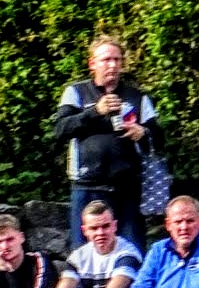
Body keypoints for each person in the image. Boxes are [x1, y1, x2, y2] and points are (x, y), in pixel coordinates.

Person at [55, 37, 160, 249]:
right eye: (106, 60)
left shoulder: (137, 96)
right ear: (92, 63)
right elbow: (61, 130)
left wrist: (143, 133)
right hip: (87, 186)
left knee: (132, 252)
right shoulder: (76, 92)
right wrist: (95, 111)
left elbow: (159, 138)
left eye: (117, 60)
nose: (112, 65)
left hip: (127, 190)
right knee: (83, 254)